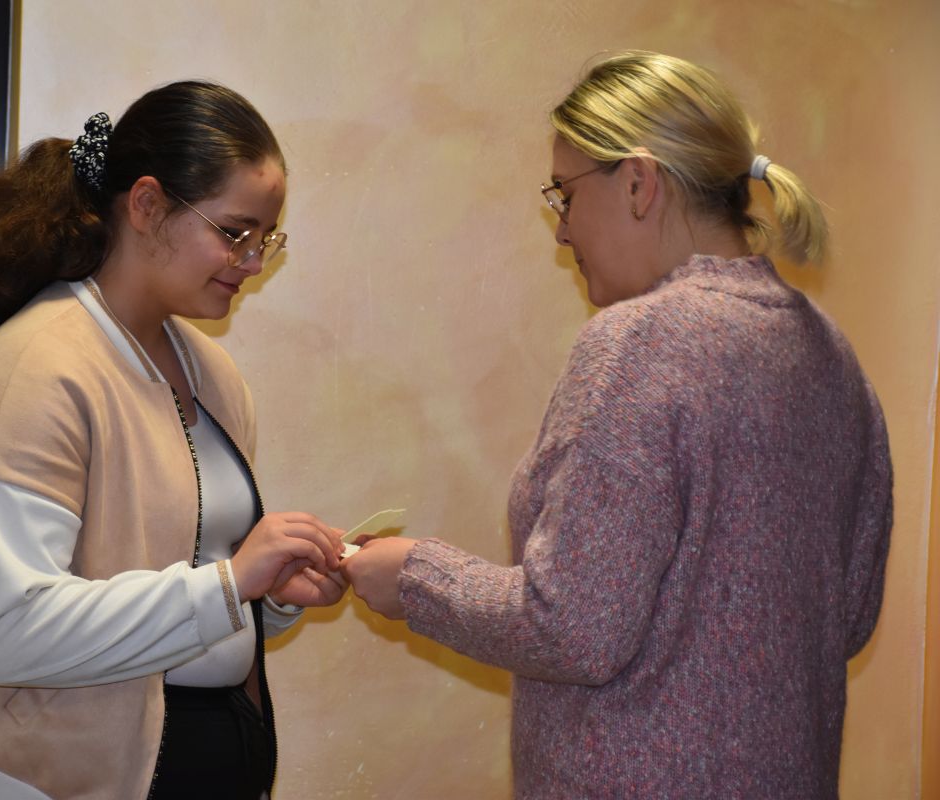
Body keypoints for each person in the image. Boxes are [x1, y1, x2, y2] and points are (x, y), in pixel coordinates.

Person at [342, 51, 892, 799]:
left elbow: (574, 626)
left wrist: (413, 577)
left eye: (564, 196)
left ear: (638, 183)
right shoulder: (832, 355)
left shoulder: (640, 342)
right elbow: (847, 619)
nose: (561, 232)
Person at [0, 80, 348, 800]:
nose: (252, 263)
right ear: (146, 205)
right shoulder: (32, 374)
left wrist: (266, 595)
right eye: (234, 233)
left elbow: (178, 584)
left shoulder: (211, 375)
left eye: (265, 239)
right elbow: (7, 630)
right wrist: (230, 584)